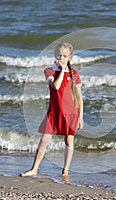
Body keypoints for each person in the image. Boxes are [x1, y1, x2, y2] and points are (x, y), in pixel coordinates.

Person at [21, 42, 83, 177]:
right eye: (59, 55)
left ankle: (66, 170)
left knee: (69, 140)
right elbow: (56, 86)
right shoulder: (49, 71)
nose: (61, 58)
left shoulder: (74, 74)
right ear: (55, 56)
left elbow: (79, 97)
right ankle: (34, 169)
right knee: (44, 139)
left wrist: (81, 117)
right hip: (54, 112)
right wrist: (61, 70)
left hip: (71, 113)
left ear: (70, 57)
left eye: (64, 56)